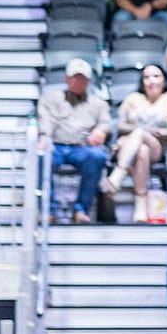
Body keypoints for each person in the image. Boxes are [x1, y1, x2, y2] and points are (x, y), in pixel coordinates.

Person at [106, 65, 167, 222]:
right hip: (131, 149)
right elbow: (120, 125)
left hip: (157, 146)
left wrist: (165, 132)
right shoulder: (133, 98)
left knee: (141, 134)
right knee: (142, 150)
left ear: (164, 79)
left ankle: (118, 174)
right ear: (142, 81)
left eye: (156, 76)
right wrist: (138, 129)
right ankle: (140, 207)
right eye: (147, 77)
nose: (151, 81)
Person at [38, 59, 112, 223]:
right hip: (55, 145)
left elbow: (105, 122)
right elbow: (46, 123)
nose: (78, 81)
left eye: (82, 78)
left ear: (88, 81)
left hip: (82, 147)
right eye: (75, 77)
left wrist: (100, 131)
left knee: (97, 157)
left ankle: (81, 210)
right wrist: (44, 137)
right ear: (67, 79)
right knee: (42, 156)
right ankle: (48, 210)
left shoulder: (98, 103)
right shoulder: (50, 99)